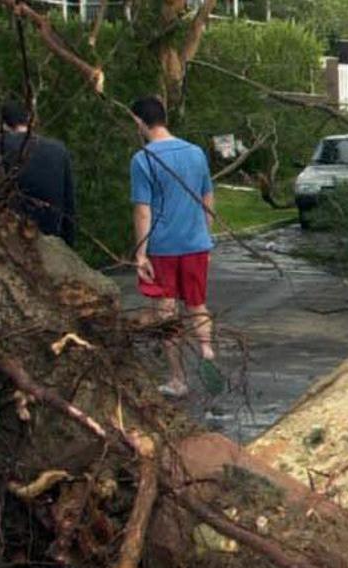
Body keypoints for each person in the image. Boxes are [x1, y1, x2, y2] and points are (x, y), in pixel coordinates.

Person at [128, 96, 221, 398]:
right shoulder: (195, 153)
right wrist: (205, 235)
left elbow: (143, 210)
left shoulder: (143, 159)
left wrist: (141, 253)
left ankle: (178, 379)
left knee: (166, 311)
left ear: (139, 121)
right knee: (197, 304)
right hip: (195, 244)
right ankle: (207, 352)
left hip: (163, 247)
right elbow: (207, 198)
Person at [0, 101, 76, 244]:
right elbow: (69, 201)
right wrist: (69, 242)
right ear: (29, 121)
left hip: (11, 229)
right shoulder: (59, 149)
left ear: (3, 124)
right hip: (50, 233)